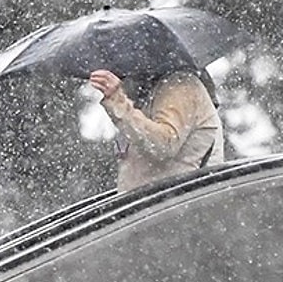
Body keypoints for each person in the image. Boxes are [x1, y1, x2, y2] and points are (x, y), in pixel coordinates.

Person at [89, 68, 225, 192]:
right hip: (155, 203)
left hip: (177, 201)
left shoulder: (181, 86)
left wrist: (118, 101)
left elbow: (164, 144)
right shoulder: (152, 88)